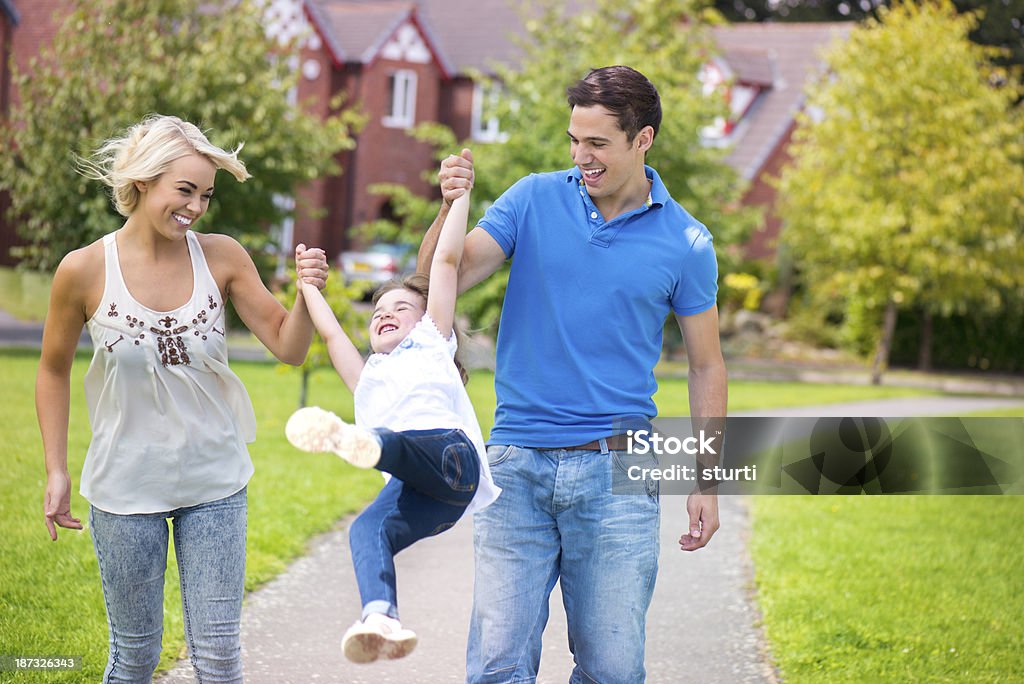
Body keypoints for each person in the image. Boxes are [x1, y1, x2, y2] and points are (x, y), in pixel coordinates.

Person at [418, 66, 728, 683]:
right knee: (498, 667)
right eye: (574, 140)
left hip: (619, 470)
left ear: (643, 139)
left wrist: (708, 478)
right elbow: (436, 278)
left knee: (612, 670)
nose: (581, 157)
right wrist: (450, 209)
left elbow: (706, 364)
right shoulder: (532, 198)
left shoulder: (687, 242)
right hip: (516, 463)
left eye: (598, 144)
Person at [36, 114, 329, 683]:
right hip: (124, 487)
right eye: (185, 190)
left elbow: (288, 348)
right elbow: (51, 370)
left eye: (206, 195)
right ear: (144, 181)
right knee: (134, 659)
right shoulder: (84, 270)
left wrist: (306, 296)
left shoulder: (221, 256)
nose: (195, 207)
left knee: (219, 660)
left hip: (214, 482)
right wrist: (55, 469)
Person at [284, 188, 500, 664]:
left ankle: (357, 441)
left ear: (424, 318)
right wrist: (307, 286)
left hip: (448, 457)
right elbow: (331, 333)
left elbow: (445, 261)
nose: (385, 315)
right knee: (366, 529)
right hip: (433, 499)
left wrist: (459, 196)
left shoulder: (431, 340)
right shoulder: (367, 379)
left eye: (400, 307)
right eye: (378, 313)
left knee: (392, 443)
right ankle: (380, 617)